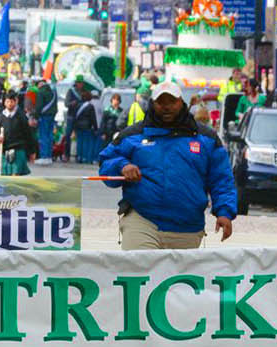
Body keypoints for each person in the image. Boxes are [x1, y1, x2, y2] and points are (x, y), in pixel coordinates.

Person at [97, 80, 237, 250]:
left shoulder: (206, 138)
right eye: (161, 102)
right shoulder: (132, 135)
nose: (166, 106)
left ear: (181, 102)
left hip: (187, 227)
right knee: (138, 271)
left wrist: (224, 212)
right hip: (142, 221)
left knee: (180, 278)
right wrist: (122, 166)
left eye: (172, 101)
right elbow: (105, 163)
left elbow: (221, 179)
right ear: (152, 103)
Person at [0, 90, 36, 175]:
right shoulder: (0, 117)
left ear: (16, 102)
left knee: (16, 175)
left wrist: (32, 151)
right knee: (4, 175)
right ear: (4, 102)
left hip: (18, 149)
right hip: (4, 149)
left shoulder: (21, 117)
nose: (10, 104)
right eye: (7, 101)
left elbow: (28, 135)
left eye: (12, 101)